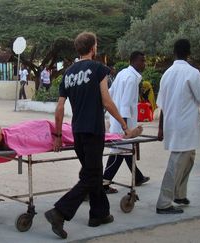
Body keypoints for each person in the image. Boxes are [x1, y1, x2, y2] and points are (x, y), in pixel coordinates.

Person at [44, 32, 135, 239]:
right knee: (91, 175)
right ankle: (59, 212)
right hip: (93, 130)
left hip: (77, 131)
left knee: (93, 173)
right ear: (93, 48)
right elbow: (107, 101)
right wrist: (123, 124)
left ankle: (99, 214)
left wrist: (58, 134)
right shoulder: (98, 69)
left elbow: (59, 107)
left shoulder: (68, 73)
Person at [155, 39, 200, 214]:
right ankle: (163, 203)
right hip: (184, 127)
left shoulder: (167, 74)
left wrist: (161, 128)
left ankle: (179, 194)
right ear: (188, 53)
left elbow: (161, 104)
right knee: (176, 164)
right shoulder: (192, 73)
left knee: (188, 160)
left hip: (173, 125)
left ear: (174, 52)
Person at [102, 51, 149, 194]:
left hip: (119, 121)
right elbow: (126, 105)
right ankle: (104, 183)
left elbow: (110, 92)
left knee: (124, 151)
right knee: (119, 152)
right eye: (142, 61)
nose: (144, 64)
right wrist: (127, 128)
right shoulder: (131, 78)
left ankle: (138, 177)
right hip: (123, 123)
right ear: (135, 61)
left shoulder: (123, 73)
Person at [0, 120, 141, 157]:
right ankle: (119, 136)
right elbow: (29, 141)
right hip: (51, 134)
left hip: (49, 127)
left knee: (75, 127)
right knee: (82, 134)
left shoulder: (6, 133)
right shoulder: (11, 139)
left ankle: (105, 132)